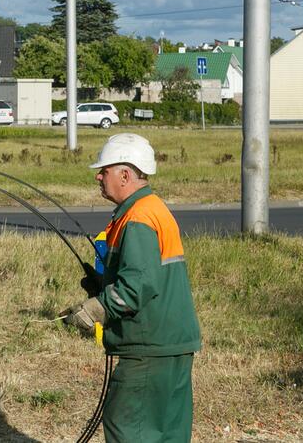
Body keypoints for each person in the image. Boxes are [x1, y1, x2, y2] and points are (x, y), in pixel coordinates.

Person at [62, 133, 202, 442]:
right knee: (168, 434)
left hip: (148, 348)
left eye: (105, 170)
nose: (98, 176)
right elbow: (147, 276)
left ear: (125, 175)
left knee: (127, 428)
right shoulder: (151, 209)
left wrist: (95, 309)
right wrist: (102, 284)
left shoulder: (137, 217)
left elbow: (137, 285)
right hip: (172, 344)